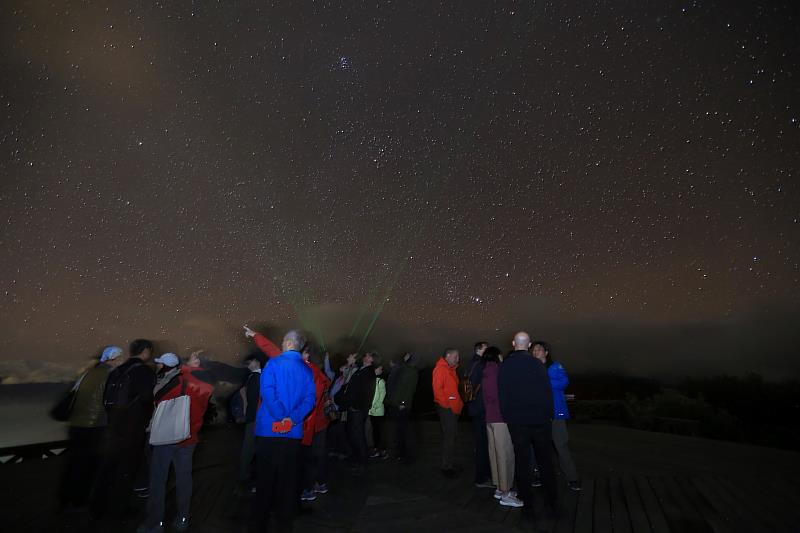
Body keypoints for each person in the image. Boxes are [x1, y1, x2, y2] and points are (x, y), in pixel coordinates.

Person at [247, 329, 316, 533]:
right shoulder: (306, 370)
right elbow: (309, 400)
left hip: (269, 430)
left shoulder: (274, 363)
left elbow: (267, 392)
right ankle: (284, 524)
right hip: (292, 434)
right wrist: (292, 419)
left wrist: (280, 417)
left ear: (287, 343)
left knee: (265, 479)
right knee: (287, 480)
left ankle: (260, 524)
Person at [138, 352, 214, 533]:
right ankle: (182, 519)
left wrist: (182, 369)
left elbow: (156, 397)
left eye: (191, 358)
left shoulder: (181, 379)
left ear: (195, 362)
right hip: (189, 436)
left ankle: (155, 524)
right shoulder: (208, 383)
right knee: (184, 479)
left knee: (158, 480)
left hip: (168, 436)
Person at [91, 339, 157, 519]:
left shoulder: (117, 370)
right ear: (145, 351)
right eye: (149, 351)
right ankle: (118, 509)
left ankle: (98, 504)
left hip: (114, 422)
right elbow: (146, 398)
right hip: (132, 425)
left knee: (109, 464)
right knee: (126, 468)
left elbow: (106, 397)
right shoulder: (144, 371)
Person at [498, 332, 557, 516]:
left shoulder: (505, 365)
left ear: (514, 343)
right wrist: (547, 417)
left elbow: (503, 395)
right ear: (529, 344)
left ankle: (526, 499)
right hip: (540, 421)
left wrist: (509, 418)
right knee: (545, 460)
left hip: (517, 423)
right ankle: (552, 499)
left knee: (522, 461)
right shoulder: (537, 364)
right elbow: (547, 394)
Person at [59, 346, 124, 511]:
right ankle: (79, 501)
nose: (122, 361)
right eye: (120, 357)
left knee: (74, 463)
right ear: (114, 359)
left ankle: (66, 499)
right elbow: (113, 402)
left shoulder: (87, 373)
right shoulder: (111, 375)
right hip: (95, 426)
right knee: (88, 466)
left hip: (76, 425)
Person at [531, 341, 581, 491]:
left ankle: (572, 478)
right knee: (538, 447)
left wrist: (544, 378)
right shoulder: (530, 369)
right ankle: (538, 475)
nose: (535, 352)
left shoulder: (555, 366)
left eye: (539, 349)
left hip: (556, 414)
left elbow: (563, 382)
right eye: (533, 350)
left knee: (561, 446)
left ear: (546, 352)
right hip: (537, 415)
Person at [480, 346, 521, 507]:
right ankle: (505, 493)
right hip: (500, 418)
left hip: (490, 418)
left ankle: (499, 488)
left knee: (495, 453)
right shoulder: (496, 370)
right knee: (505, 454)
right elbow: (496, 395)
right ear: (497, 356)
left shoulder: (486, 370)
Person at [300, 344, 331, 502]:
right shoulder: (320, 372)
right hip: (321, 422)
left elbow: (308, 401)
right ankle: (320, 483)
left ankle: (308, 488)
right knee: (318, 455)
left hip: (310, 423)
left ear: (307, 355)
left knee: (308, 456)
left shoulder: (309, 371)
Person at [343, 352, 377, 474]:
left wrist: (356, 407)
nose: (365, 356)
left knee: (358, 436)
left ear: (372, 359)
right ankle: (357, 460)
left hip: (358, 409)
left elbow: (365, 392)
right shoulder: (363, 370)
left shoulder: (368, 372)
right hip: (355, 408)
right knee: (354, 435)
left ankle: (362, 462)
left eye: (368, 355)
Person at [465, 341, 493, 488]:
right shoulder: (481, 365)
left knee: (480, 443)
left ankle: (483, 476)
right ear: (481, 350)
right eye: (487, 349)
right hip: (481, 409)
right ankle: (482, 478)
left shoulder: (471, 363)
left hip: (474, 408)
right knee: (483, 444)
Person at [432, 348, 463, 478]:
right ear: (448, 355)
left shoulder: (450, 369)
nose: (458, 359)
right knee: (449, 437)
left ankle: (448, 464)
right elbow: (437, 389)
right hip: (448, 409)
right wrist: (447, 405)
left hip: (452, 409)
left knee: (451, 436)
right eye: (455, 356)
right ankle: (447, 466)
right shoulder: (440, 369)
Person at [237, 352, 264, 492]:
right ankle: (248, 476)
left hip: (255, 418)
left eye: (249, 362)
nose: (247, 365)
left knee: (249, 449)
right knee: (252, 449)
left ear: (256, 362)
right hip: (256, 418)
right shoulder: (255, 377)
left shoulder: (257, 377)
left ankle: (246, 476)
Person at [385, 352, 419, 463]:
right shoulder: (404, 369)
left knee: (402, 430)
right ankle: (400, 453)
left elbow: (409, 390)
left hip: (402, 406)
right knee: (399, 430)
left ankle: (403, 454)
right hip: (397, 404)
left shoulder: (411, 371)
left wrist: (403, 403)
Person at [367, 365, 388, 459]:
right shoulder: (371, 380)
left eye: (381, 368)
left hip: (378, 411)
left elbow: (382, 395)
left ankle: (382, 450)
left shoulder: (380, 381)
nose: (381, 370)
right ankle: (376, 449)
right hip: (371, 411)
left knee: (380, 431)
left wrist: (375, 406)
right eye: (379, 368)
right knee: (375, 431)